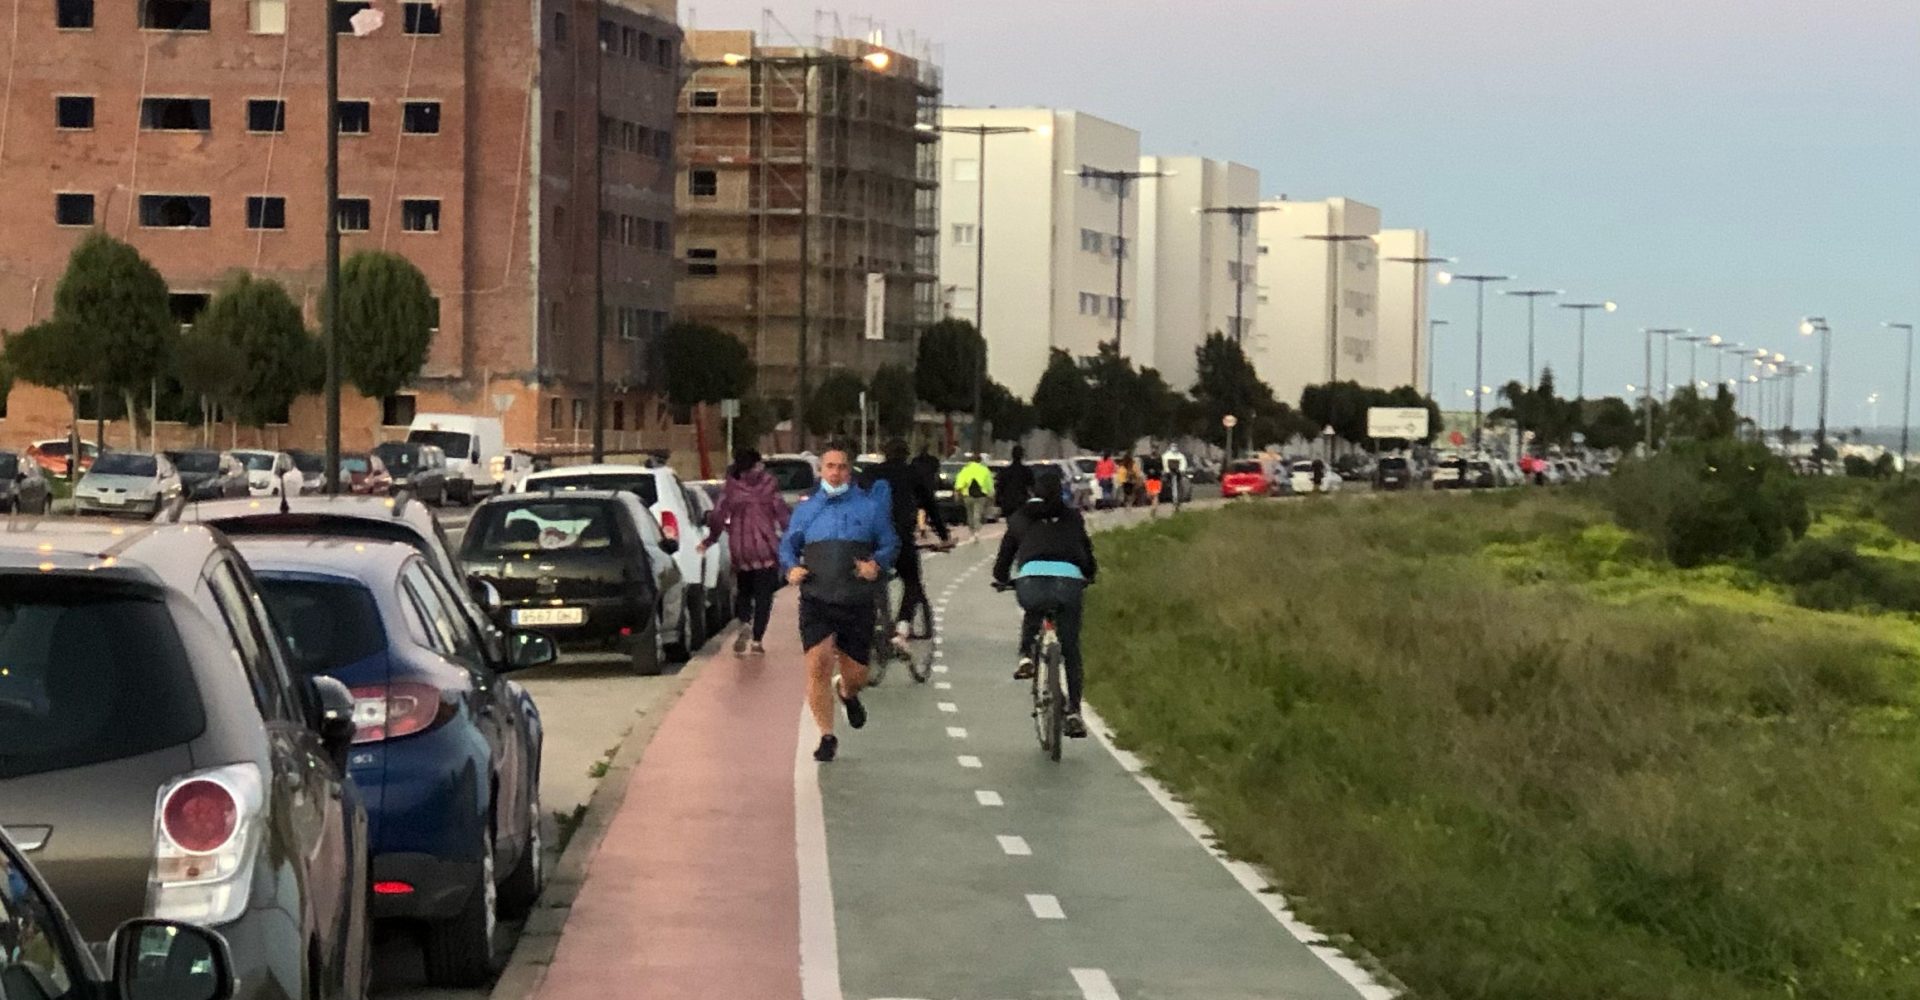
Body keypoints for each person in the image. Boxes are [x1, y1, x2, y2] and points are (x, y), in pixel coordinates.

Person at [779, 444, 900, 763]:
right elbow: (788, 545)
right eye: (830, 466)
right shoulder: (806, 509)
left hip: (856, 599)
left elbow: (890, 543)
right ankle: (826, 736)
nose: (835, 472)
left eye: (842, 467)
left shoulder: (869, 507)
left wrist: (876, 564)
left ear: (850, 471)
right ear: (821, 470)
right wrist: (791, 567)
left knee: (857, 674)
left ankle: (847, 693)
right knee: (818, 662)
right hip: (817, 597)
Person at [992, 468, 1097, 739]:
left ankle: (1026, 654)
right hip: (1069, 583)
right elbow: (1086, 553)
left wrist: (1003, 579)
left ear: (1033, 492)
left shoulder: (1021, 518)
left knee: (1034, 608)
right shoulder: (1072, 517)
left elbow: (1004, 559)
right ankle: (1074, 711)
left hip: (1031, 582)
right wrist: (1089, 575)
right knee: (1071, 649)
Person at [858, 438, 952, 648]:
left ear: (884, 453)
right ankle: (901, 631)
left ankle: (866, 626)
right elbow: (930, 505)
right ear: (907, 454)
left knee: (866, 580)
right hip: (899, 537)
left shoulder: (870, 474)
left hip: (870, 538)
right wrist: (943, 536)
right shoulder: (912, 474)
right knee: (912, 582)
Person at [699, 448, 791, 655]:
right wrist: (792, 538)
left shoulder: (732, 488)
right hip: (765, 548)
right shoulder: (768, 484)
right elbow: (782, 513)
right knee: (764, 597)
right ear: (757, 464)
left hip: (741, 549)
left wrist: (710, 539)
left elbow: (717, 516)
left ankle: (744, 622)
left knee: (743, 591)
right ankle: (757, 640)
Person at [953, 453, 995, 542]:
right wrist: (991, 494)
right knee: (977, 513)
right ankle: (977, 532)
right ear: (980, 460)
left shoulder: (965, 470)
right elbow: (989, 483)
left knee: (969, 514)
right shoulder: (984, 470)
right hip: (981, 495)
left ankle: (971, 532)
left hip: (968, 495)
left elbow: (960, 482)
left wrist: (957, 492)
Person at [995, 445, 1035, 516]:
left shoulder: (1005, 471)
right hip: (1021, 501)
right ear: (1022, 455)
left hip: (1008, 501)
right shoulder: (1026, 471)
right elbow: (1032, 485)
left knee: (1011, 522)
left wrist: (999, 500)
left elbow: (1000, 487)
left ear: (1012, 455)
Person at [1162, 442, 1189, 510]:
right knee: (1171, 486)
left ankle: (1177, 499)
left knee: (1179, 486)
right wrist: (1167, 471)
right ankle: (1173, 499)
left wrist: (1181, 470)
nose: (1174, 448)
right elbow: (1164, 464)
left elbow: (1183, 464)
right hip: (1169, 474)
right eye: (1173, 446)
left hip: (1178, 473)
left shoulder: (1180, 456)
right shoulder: (1166, 455)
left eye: (1175, 446)